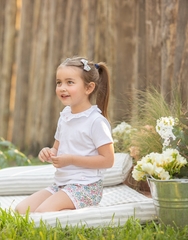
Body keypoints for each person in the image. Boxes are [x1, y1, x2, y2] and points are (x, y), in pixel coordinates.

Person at [15, 56, 114, 214]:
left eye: (70, 82)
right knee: (21, 210)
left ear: (88, 88)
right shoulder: (65, 116)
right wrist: (49, 152)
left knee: (42, 212)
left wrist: (72, 160)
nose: (62, 87)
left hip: (86, 187)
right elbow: (57, 148)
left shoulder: (96, 121)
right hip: (62, 184)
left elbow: (108, 160)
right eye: (59, 82)